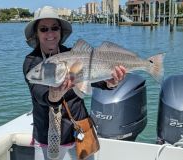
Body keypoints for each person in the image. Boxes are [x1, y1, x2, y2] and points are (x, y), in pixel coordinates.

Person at [23, 6, 126, 160]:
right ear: (37, 34)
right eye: (44, 29)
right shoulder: (32, 63)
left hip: (80, 132)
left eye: (54, 28)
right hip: (48, 137)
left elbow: (97, 80)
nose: (50, 33)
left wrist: (111, 82)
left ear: (60, 31)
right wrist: (54, 95)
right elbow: (39, 95)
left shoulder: (74, 54)